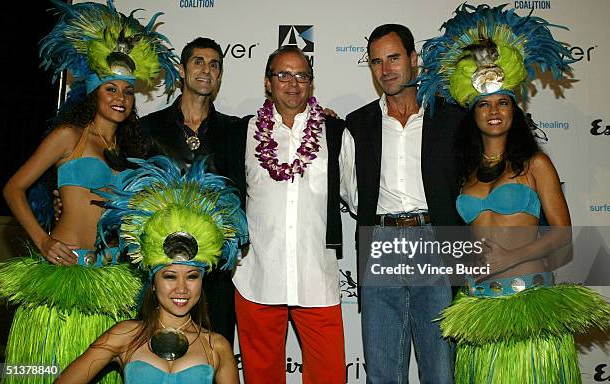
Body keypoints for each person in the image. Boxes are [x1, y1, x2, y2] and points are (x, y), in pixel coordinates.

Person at [417, 4, 610, 383]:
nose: (493, 111)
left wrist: (510, 257)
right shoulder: (466, 176)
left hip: (528, 307)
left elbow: (563, 234)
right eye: (484, 104)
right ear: (472, 114)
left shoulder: (535, 164)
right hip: (479, 309)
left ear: (514, 110)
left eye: (502, 102)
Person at [0, 2, 178, 383]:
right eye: (110, 89)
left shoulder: (128, 157)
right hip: (60, 277)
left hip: (106, 278)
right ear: (93, 94)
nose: (120, 97)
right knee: (44, 369)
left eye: (128, 92)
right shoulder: (70, 137)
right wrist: (43, 241)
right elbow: (13, 188)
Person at [340, 24, 465, 383]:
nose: (386, 70)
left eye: (394, 58)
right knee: (381, 371)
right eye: (377, 62)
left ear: (413, 59)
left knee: (441, 370)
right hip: (381, 243)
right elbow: (350, 193)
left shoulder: (452, 118)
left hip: (436, 243)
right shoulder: (358, 123)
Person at [56, 156, 247, 384]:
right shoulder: (125, 335)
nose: (182, 288)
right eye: (169, 276)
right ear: (153, 281)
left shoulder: (216, 347)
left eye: (192, 277)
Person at [232, 45, 346, 383]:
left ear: (311, 83)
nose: (292, 83)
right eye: (283, 74)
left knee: (329, 377)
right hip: (258, 277)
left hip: (317, 279)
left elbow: (357, 195)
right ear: (268, 82)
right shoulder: (242, 133)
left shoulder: (336, 134)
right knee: (261, 377)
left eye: (301, 75)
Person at [140, 37, 246, 346]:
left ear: (220, 76)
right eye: (198, 62)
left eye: (214, 65)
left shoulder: (235, 130)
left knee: (215, 351)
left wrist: (324, 121)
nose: (206, 70)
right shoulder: (149, 127)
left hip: (215, 268)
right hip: (162, 267)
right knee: (158, 350)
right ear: (183, 70)